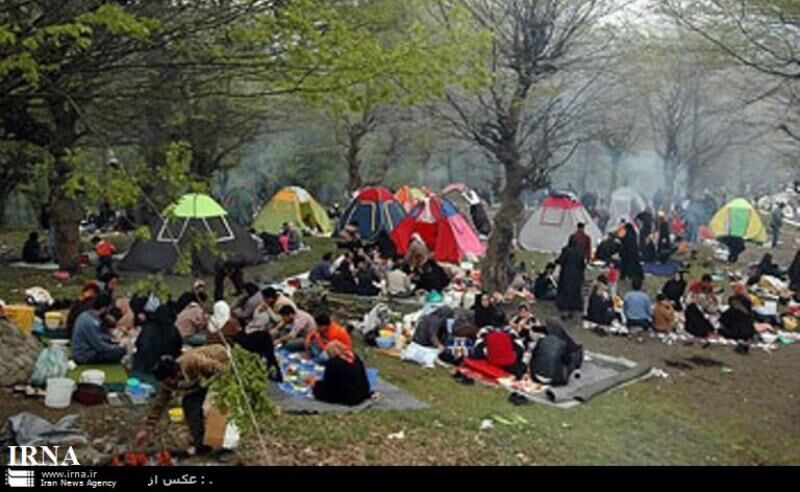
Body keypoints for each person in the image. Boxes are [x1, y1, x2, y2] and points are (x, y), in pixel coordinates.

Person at [135, 345, 229, 455]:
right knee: (189, 404)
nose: (167, 384)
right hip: (199, 382)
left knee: (213, 407)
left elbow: (221, 369)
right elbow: (160, 405)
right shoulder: (168, 384)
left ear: (175, 374)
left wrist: (219, 391)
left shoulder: (194, 361)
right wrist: (147, 428)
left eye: (168, 381)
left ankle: (219, 442)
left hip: (219, 368)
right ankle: (201, 444)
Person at [130, 299, 182, 380]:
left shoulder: (148, 328)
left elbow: (139, 345)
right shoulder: (173, 329)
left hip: (147, 366)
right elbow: (179, 345)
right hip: (167, 365)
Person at [311, 341, 372, 406]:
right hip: (362, 394)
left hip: (347, 398)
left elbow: (329, 385)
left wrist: (315, 384)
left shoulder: (334, 363)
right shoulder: (355, 357)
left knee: (319, 390)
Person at [71, 293, 125, 364]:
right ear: (104, 309)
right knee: (118, 353)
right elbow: (100, 346)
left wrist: (114, 341)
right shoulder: (90, 321)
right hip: (85, 356)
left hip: (90, 349)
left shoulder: (90, 316)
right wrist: (118, 347)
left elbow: (101, 337)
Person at [556, 237, 586, 320]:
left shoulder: (566, 250)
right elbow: (583, 265)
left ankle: (565, 309)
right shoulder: (580, 251)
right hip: (577, 276)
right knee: (575, 292)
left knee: (566, 292)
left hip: (566, 275)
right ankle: (573, 308)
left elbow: (561, 260)